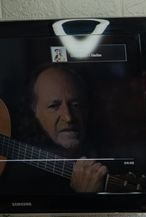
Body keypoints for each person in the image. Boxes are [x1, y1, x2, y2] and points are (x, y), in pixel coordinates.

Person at [0, 64, 107, 193]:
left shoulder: (109, 155)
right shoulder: (21, 180)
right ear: (34, 112)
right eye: (53, 106)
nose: (68, 117)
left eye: (76, 105)